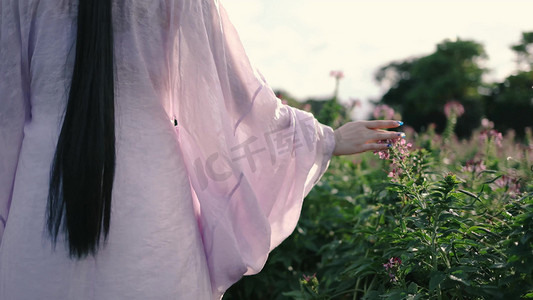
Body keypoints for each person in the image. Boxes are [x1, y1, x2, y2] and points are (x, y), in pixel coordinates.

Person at [0, 0, 402, 299]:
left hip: (40, 198)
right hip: (150, 201)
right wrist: (323, 139)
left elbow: (5, 111)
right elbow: (238, 99)